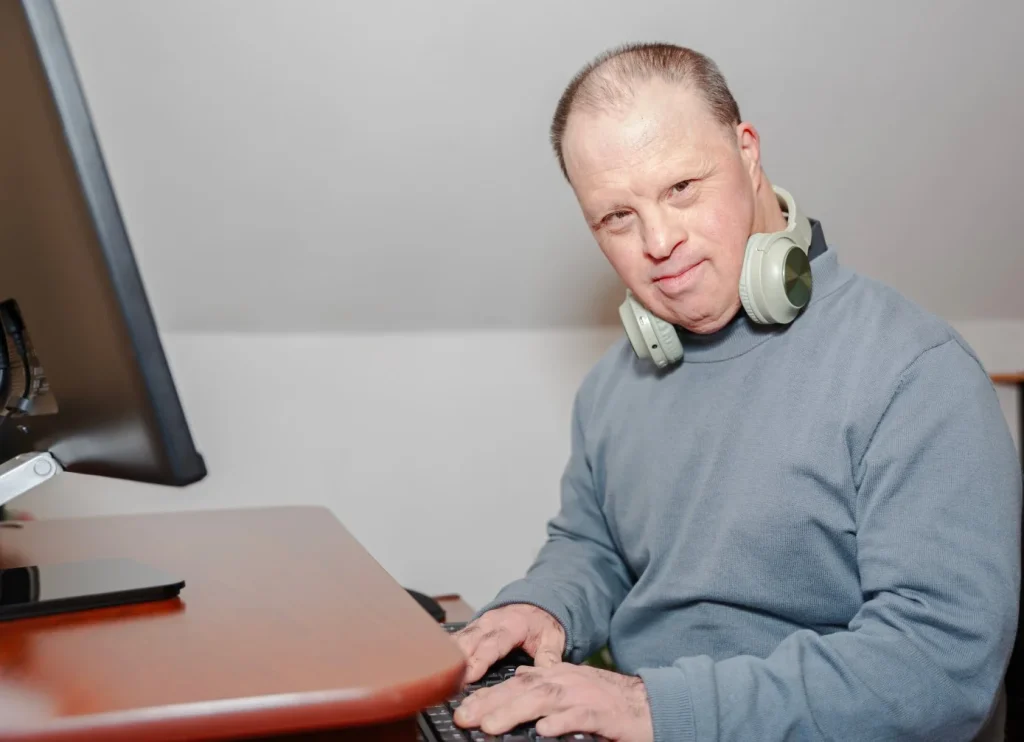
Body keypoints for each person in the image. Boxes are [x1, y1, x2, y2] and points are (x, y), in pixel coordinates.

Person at [450, 42, 1022, 742]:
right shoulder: (610, 388)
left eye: (681, 188)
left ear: (748, 154)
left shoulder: (916, 374)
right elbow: (593, 545)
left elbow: (938, 667)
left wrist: (651, 707)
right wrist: (544, 607)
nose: (658, 241)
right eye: (617, 217)